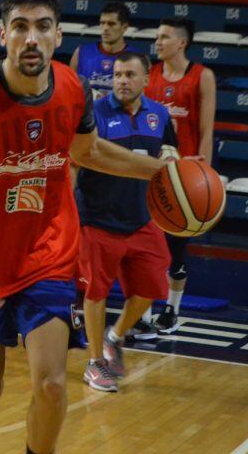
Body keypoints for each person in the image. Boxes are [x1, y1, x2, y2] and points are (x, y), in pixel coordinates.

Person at [0, 0, 167, 454]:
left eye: (43, 27)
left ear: (59, 35)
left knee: (51, 385)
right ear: (3, 35)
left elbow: (88, 151)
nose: (32, 38)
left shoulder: (72, 88)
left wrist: (161, 171)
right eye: (21, 27)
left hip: (46, 256)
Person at [76, 52, 176, 392]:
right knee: (95, 292)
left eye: (130, 74)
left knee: (151, 288)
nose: (121, 80)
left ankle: (115, 336)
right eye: (118, 74)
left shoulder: (160, 115)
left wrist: (173, 159)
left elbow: (168, 154)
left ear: (147, 79)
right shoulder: (95, 113)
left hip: (141, 218)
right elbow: (86, 156)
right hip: (98, 218)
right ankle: (94, 363)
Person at [144, 17, 216, 334]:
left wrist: (205, 173)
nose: (157, 42)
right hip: (153, 173)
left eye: (164, 37)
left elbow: (206, 129)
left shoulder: (203, 76)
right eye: (157, 37)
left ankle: (172, 310)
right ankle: (144, 312)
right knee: (146, 247)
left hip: (185, 180)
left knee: (177, 249)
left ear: (181, 43)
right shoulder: (150, 75)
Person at [69, 2, 136, 98]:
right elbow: (69, 90)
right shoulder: (81, 53)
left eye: (111, 24)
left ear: (124, 27)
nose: (105, 28)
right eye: (102, 23)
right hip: (88, 111)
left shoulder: (137, 58)